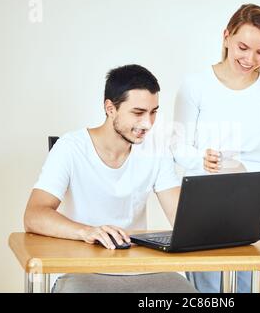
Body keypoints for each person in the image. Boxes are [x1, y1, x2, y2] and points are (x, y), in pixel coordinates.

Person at [24, 64, 197, 293]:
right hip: (81, 271)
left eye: (153, 112)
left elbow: (182, 219)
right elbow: (34, 215)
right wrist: (87, 231)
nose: (148, 123)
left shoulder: (156, 150)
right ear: (110, 108)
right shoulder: (70, 147)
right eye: (138, 113)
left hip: (142, 269)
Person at [171, 4, 260, 293]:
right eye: (243, 47)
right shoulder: (195, 84)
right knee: (207, 289)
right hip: (205, 198)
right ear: (226, 37)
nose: (250, 59)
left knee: (257, 283)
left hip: (258, 199)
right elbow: (177, 145)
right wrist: (202, 158)